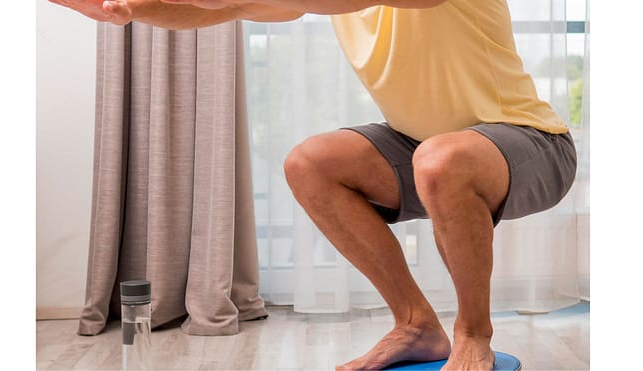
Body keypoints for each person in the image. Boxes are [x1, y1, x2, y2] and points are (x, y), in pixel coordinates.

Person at [48, 1, 578, 370]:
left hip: (531, 146)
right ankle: (416, 324)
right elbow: (226, 8)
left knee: (441, 158)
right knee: (311, 163)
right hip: (426, 151)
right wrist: (132, 9)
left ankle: (473, 334)